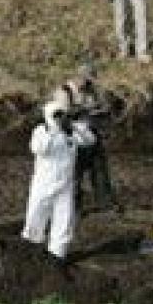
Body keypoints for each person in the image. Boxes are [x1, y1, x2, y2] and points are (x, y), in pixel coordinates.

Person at [22, 101, 96, 262]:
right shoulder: (41, 131)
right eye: (58, 115)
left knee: (64, 223)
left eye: (63, 114)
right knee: (35, 220)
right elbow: (38, 148)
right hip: (43, 186)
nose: (61, 118)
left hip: (65, 186)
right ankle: (29, 256)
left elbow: (90, 141)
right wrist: (54, 130)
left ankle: (57, 258)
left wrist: (76, 126)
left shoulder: (71, 133)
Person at [50, 63, 117, 210]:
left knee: (100, 171)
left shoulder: (91, 91)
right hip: (73, 137)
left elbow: (100, 107)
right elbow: (60, 117)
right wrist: (83, 111)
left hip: (90, 134)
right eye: (87, 79)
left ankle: (105, 202)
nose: (90, 83)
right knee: (74, 175)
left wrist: (101, 111)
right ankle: (74, 206)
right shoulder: (64, 92)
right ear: (79, 77)